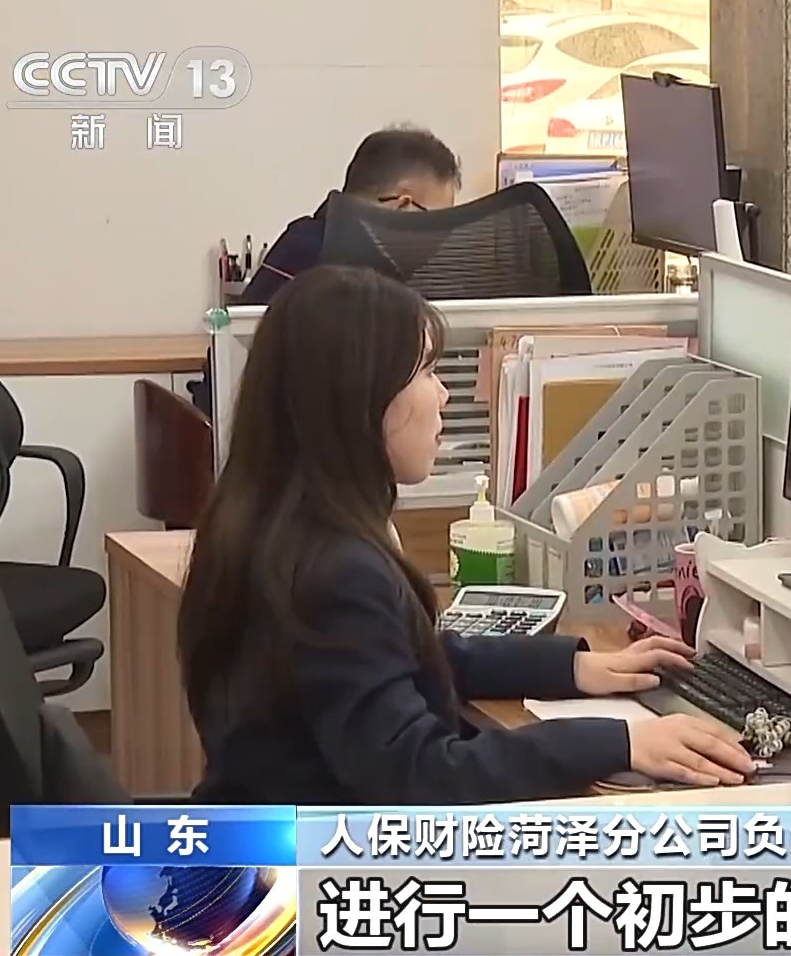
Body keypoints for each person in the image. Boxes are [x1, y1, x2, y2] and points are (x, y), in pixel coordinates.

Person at [179, 265, 755, 803]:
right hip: (317, 868)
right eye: (426, 372)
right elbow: (423, 774)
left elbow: (406, 659)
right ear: (361, 399)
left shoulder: (263, 523)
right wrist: (617, 742)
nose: (443, 394)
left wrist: (572, 668)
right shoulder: (336, 571)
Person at [237, 125, 462, 307]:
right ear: (403, 206)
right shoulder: (307, 248)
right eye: (437, 222)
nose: (440, 238)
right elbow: (243, 341)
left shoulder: (404, 273)